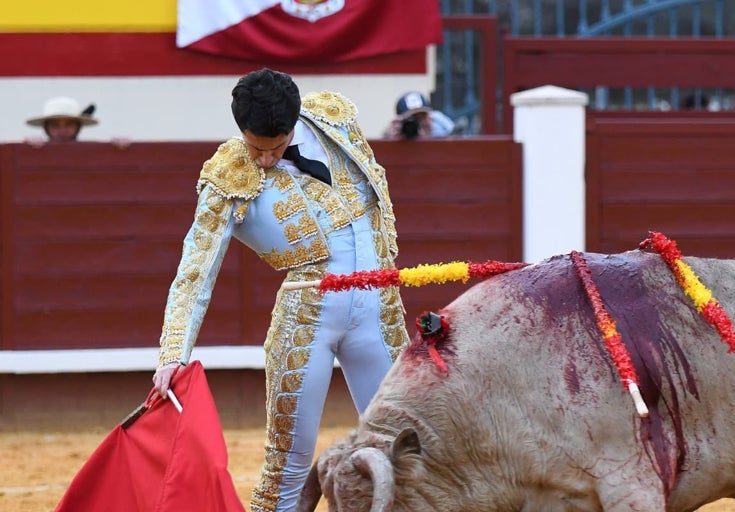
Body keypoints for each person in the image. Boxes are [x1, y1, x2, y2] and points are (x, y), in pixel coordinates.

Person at [151, 68, 409, 512]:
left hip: (379, 309)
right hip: (307, 322)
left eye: (276, 147)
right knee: (286, 468)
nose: (265, 159)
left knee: (406, 453)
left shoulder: (335, 121)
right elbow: (196, 268)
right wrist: (173, 352)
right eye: (255, 148)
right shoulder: (228, 175)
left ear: (295, 124)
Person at [24, 96, 98, 143]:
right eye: (55, 125)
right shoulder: (37, 151)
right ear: (46, 128)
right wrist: (28, 149)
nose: (62, 130)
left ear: (78, 127)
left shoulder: (94, 154)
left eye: (69, 125)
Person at [385, 90, 455, 139]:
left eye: (423, 117)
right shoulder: (396, 133)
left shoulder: (441, 129)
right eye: (413, 118)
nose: (420, 123)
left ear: (430, 117)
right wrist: (391, 140)